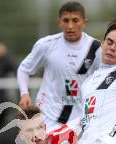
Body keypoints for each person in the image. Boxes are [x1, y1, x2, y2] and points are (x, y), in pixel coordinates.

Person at [17, 1, 101, 131]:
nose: (70, 26)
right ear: (59, 22)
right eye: (66, 20)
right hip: (48, 114)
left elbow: (105, 79)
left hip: (80, 117)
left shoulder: (96, 48)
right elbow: (24, 69)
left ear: (85, 22)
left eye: (75, 20)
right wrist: (24, 93)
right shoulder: (46, 45)